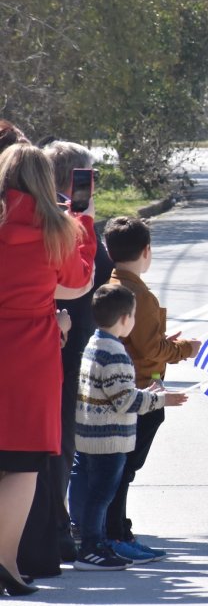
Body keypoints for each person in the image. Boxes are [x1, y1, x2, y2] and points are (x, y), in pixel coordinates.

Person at [0, 143, 97, 595]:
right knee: (22, 464)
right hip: (31, 354)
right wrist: (87, 221)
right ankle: (6, 562)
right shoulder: (58, 229)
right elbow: (78, 284)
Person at [99, 216, 201, 562]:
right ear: (147, 251)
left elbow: (142, 339)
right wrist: (185, 349)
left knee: (120, 467)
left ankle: (116, 531)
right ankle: (115, 535)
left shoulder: (111, 283)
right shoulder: (137, 294)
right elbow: (150, 350)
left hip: (125, 387)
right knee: (124, 469)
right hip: (141, 390)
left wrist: (162, 342)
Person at [70, 284, 187, 571]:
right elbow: (125, 401)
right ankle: (92, 548)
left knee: (95, 492)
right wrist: (161, 400)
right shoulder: (116, 353)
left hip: (89, 434)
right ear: (124, 319)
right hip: (109, 438)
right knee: (102, 495)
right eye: (133, 316)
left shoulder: (94, 345)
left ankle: (92, 543)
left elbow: (112, 391)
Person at [45, 142, 114, 565]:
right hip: (63, 349)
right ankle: (58, 526)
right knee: (61, 443)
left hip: (66, 345)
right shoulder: (65, 225)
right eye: (86, 176)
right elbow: (87, 278)